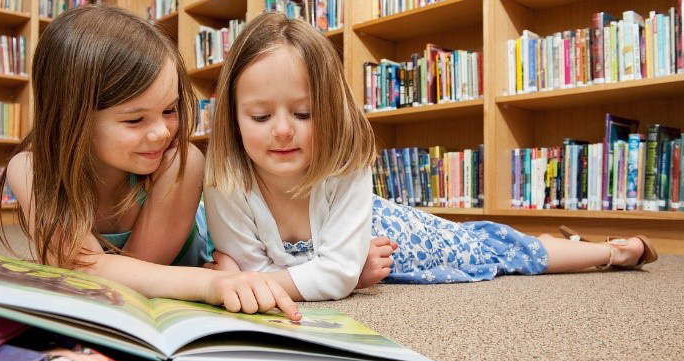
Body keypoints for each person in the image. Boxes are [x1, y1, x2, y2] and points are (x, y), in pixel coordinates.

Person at [202, 12, 658, 301]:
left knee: (493, 247)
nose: (283, 130)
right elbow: (269, 277)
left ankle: (611, 252)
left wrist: (331, 275)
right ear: (232, 118)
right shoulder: (224, 180)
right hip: (360, 252)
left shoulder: (346, 162)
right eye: (260, 116)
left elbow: (269, 278)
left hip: (387, 231)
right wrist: (328, 273)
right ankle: (571, 243)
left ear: (332, 111)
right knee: (491, 244)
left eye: (303, 112)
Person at [0, 5, 299, 320]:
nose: (161, 133)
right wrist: (211, 283)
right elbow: (85, 271)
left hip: (217, 248)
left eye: (170, 110)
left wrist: (216, 279)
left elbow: (134, 278)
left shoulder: (181, 163)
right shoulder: (31, 169)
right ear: (69, 117)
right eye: (135, 119)